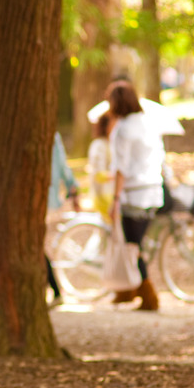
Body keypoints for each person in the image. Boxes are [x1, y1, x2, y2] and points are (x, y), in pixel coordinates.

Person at [107, 79, 165, 310]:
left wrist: (115, 198)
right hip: (153, 191)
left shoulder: (122, 129)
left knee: (132, 246)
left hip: (134, 194)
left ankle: (147, 293)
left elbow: (121, 167)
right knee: (135, 244)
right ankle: (127, 289)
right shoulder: (149, 122)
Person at [47, 131, 80, 306]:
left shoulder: (51, 135)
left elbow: (61, 164)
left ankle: (55, 290)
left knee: (36, 246)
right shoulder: (54, 136)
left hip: (42, 196)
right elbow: (62, 165)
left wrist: (72, 188)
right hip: (46, 195)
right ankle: (53, 289)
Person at [87, 112, 114, 221]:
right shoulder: (99, 145)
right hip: (103, 194)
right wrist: (117, 176)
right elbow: (98, 173)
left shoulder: (109, 143)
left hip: (110, 193)